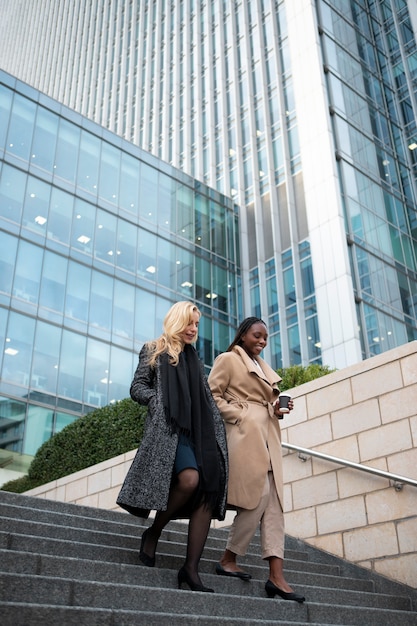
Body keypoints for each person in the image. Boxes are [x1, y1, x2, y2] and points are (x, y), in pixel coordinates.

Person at [117, 301, 228, 593]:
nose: (193, 329)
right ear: (177, 322)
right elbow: (137, 387)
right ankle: (153, 533)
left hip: (198, 432)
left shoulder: (195, 360)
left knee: (208, 489)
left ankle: (190, 569)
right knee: (190, 479)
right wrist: (156, 400)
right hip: (170, 431)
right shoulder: (153, 349)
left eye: (197, 325)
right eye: (190, 323)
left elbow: (204, 397)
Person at [208, 317, 305, 603]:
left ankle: (276, 576)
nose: (262, 341)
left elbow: (263, 404)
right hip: (245, 436)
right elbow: (211, 395)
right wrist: (240, 415)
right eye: (257, 336)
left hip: (269, 436)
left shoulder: (262, 367)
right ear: (243, 335)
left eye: (265, 337)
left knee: (275, 504)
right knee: (257, 497)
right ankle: (228, 558)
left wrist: (275, 410)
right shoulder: (228, 359)